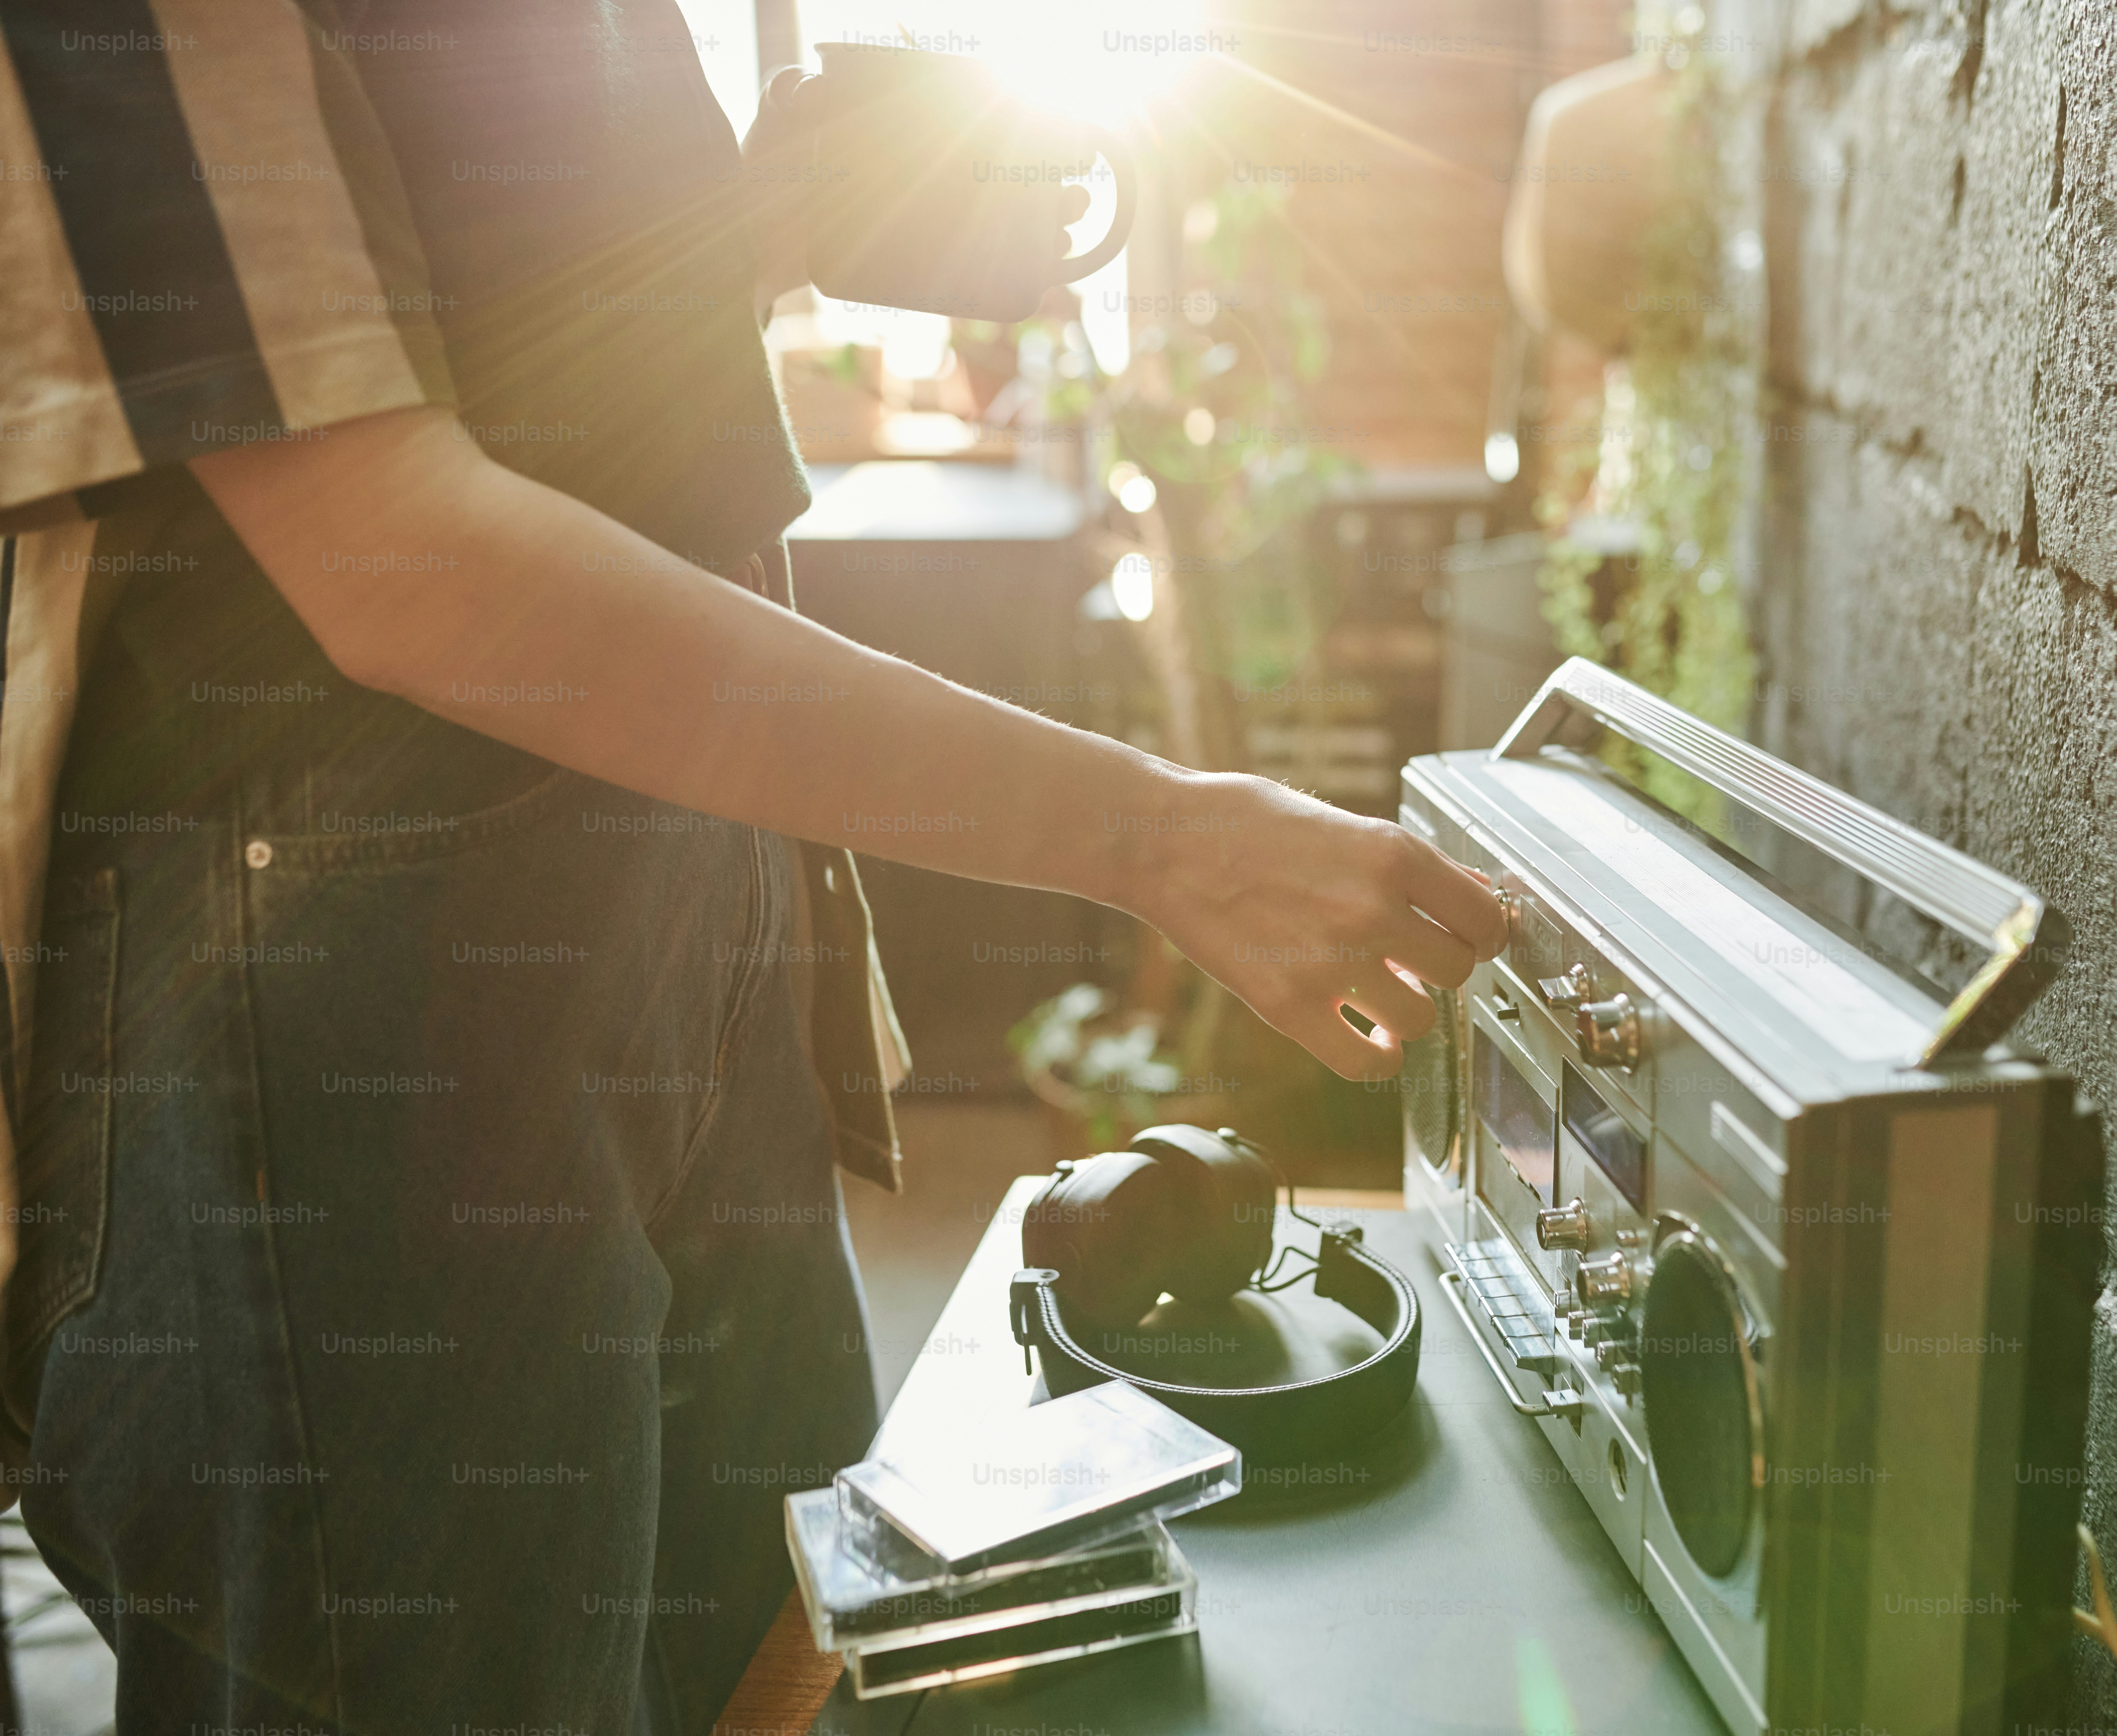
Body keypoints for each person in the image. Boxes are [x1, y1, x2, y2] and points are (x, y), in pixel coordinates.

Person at [0, 5, 1500, 1731]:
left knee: (777, 1683)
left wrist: (763, 214)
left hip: (685, 901)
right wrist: (1156, 835)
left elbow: (479, 332)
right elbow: (392, 554)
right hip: (344, 1001)